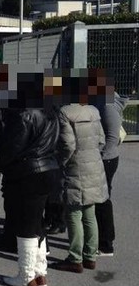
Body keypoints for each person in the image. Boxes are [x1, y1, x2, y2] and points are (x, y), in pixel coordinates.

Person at [0, 73, 61, 286]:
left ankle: (25, 275)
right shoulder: (51, 112)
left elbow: (12, 148)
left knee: (25, 226)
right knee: (37, 223)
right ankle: (40, 272)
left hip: (28, 173)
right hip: (49, 169)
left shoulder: (23, 115)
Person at [52, 87, 108, 274]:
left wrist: (61, 161)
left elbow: (68, 144)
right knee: (90, 213)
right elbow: (101, 140)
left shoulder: (65, 113)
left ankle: (75, 257)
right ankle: (90, 256)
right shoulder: (94, 111)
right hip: (94, 165)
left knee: (73, 213)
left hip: (75, 167)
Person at [95, 90, 127, 256]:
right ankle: (97, 238)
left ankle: (106, 243)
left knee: (102, 200)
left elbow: (112, 138)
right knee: (98, 198)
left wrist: (99, 157)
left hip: (106, 159)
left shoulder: (108, 106)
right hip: (102, 158)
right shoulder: (100, 100)